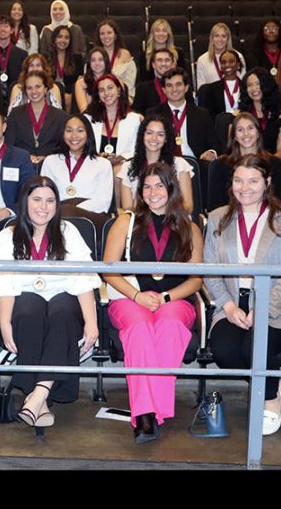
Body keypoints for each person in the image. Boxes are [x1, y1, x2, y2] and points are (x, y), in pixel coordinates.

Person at [0, 175, 100, 429]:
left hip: (63, 296)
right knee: (29, 309)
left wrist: (91, 323)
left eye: (50, 201)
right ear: (24, 202)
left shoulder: (68, 232)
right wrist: (4, 324)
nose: (43, 206)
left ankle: (37, 393)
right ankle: (42, 400)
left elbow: (83, 279)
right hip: (25, 298)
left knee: (62, 310)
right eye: (37, 199)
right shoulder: (8, 236)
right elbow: (5, 285)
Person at [205, 154, 281, 436]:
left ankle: (271, 398)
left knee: (254, 346)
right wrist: (227, 305)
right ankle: (280, 384)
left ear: (267, 183)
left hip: (278, 307)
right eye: (238, 180)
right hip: (231, 305)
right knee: (223, 351)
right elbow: (210, 271)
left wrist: (262, 309)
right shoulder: (216, 218)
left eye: (252, 181)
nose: (244, 187)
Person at [103, 162, 204, 443]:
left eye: (159, 185)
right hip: (130, 297)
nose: (152, 192)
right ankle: (146, 414)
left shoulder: (190, 227)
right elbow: (108, 269)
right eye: (146, 186)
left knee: (171, 324)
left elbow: (196, 280)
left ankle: (149, 409)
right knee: (139, 328)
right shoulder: (126, 221)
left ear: (171, 189)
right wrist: (137, 296)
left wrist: (166, 298)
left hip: (175, 299)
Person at [40, 112, 114, 229]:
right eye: (69, 131)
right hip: (57, 218)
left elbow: (103, 203)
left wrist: (71, 210)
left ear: (88, 134)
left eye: (80, 130)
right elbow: (44, 195)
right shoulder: (50, 161)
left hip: (91, 219)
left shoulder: (103, 164)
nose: (74, 136)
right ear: (62, 134)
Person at [207, 112, 281, 211]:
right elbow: (215, 207)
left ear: (258, 133)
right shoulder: (220, 165)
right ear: (235, 136)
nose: (246, 133)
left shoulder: (275, 164)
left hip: (268, 221)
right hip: (230, 221)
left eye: (250, 128)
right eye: (240, 130)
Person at [117, 115, 195, 215]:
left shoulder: (180, 165)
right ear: (142, 135)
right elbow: (127, 208)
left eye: (160, 134)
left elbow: (188, 206)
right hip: (140, 222)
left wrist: (161, 215)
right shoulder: (128, 167)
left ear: (166, 138)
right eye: (149, 133)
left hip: (173, 221)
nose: (154, 138)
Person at [147, 67, 221, 162]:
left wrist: (211, 152)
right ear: (164, 90)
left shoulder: (202, 114)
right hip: (165, 165)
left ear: (186, 87)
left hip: (196, 163)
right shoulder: (154, 114)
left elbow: (215, 144)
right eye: (169, 85)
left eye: (178, 84)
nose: (174, 89)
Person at [5, 70, 68, 164]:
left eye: (38, 87)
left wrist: (47, 158)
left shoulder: (61, 116)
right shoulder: (15, 114)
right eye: (29, 88)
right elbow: (9, 145)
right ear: (25, 91)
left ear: (46, 88)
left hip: (51, 167)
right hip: (22, 165)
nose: (34, 91)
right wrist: (26, 157)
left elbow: (64, 146)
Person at [85, 74, 143, 171]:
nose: (106, 93)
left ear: (119, 90)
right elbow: (82, 147)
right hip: (94, 167)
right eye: (102, 90)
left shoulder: (135, 119)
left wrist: (122, 157)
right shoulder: (88, 119)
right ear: (98, 95)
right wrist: (96, 156)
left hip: (123, 166)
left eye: (110, 88)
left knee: (118, 171)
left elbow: (139, 148)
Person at [237, 67, 281, 158]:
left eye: (258, 84)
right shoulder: (239, 114)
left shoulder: (280, 114)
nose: (254, 89)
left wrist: (271, 161)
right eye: (249, 85)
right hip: (245, 162)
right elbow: (233, 148)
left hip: (271, 162)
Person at [0, 15, 28, 110]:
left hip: (15, 99)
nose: (2, 29)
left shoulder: (22, 55)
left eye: (6, 26)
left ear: (12, 30)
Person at [195, 23, 247, 89]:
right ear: (212, 38)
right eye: (217, 36)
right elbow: (201, 88)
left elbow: (243, 82)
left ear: (228, 39)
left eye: (223, 36)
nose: (220, 39)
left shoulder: (238, 57)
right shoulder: (202, 60)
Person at [137, 18, 188, 84]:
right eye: (157, 31)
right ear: (153, 34)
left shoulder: (178, 54)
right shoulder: (145, 56)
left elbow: (183, 78)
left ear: (168, 34)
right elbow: (144, 81)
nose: (161, 33)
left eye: (164, 31)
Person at [197, 49, 244, 119]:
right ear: (221, 66)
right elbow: (210, 115)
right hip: (220, 127)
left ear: (238, 65)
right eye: (223, 62)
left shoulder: (246, 86)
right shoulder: (212, 89)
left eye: (231, 61)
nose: (227, 65)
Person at [97, 19, 136, 103]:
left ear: (115, 35)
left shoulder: (125, 54)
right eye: (102, 33)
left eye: (109, 32)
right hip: (99, 98)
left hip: (122, 98)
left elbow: (130, 84)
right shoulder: (95, 56)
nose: (106, 36)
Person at [46, 24, 83, 112]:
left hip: (70, 94)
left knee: (68, 98)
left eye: (67, 38)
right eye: (60, 37)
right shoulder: (46, 57)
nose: (63, 40)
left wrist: (65, 93)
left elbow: (77, 80)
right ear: (54, 39)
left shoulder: (77, 58)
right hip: (50, 91)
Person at [133, 48, 175, 115]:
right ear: (153, 65)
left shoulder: (182, 87)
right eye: (159, 60)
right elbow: (136, 114)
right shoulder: (142, 88)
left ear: (173, 64)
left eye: (167, 60)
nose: (163, 64)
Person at [74, 46, 112, 113]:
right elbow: (83, 110)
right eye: (93, 60)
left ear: (106, 62)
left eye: (100, 60)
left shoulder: (115, 81)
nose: (97, 63)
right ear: (89, 63)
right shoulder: (80, 83)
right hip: (90, 118)